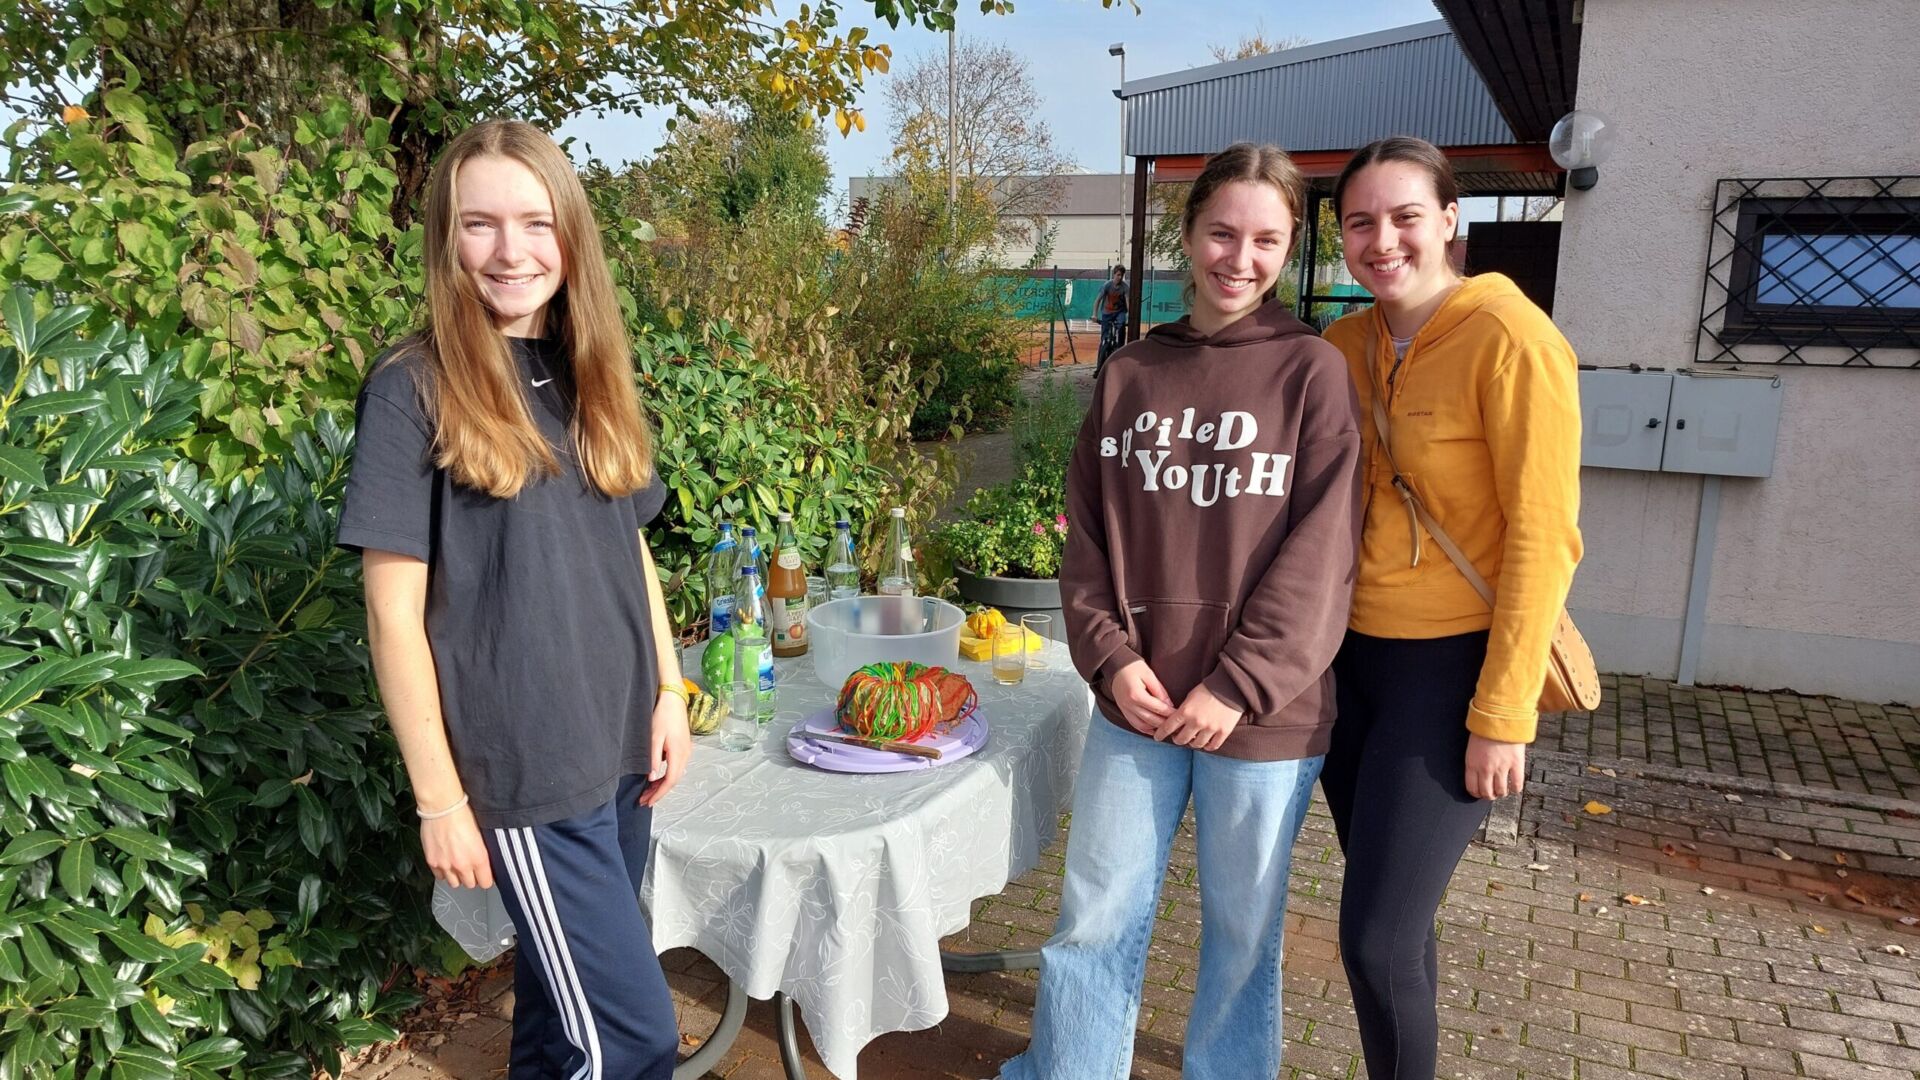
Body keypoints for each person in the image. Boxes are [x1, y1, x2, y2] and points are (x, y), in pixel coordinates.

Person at [1001, 143, 1363, 1080]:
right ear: (1188, 232)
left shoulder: (1310, 372)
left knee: (1243, 934)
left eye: (1265, 240)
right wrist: (1111, 660)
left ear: (1289, 249)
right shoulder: (1129, 373)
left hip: (1264, 718)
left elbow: (1322, 552)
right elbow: (1086, 539)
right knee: (1097, 914)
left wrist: (1238, 687)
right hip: (1140, 701)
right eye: (1221, 233)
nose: (1239, 259)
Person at [337, 119, 688, 1079]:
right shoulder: (414, 387)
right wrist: (439, 798)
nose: (510, 251)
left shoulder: (590, 374)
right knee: (632, 1045)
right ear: (446, 239)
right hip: (533, 771)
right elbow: (391, 615)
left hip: (620, 748)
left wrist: (668, 692)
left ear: (570, 232)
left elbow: (633, 550)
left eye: (534, 221)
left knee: (553, 1023)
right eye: (479, 223)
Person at [1318, 136, 1583, 1080]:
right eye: (1359, 222)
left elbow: (1543, 539)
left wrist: (1502, 716)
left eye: (1404, 216)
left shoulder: (1512, 340)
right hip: (1351, 667)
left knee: (1375, 938)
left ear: (1450, 221)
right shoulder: (1343, 345)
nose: (1381, 239)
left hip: (1450, 672)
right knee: (1396, 924)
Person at [1094, 264, 1129, 369]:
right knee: (1104, 339)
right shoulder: (1107, 285)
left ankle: (1120, 349)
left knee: (1121, 326)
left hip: (1120, 312)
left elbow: (1128, 302)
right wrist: (1094, 315)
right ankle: (1099, 367)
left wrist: (1130, 316)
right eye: (1118, 275)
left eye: (1121, 275)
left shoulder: (1125, 287)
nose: (1119, 277)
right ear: (1114, 274)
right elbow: (1098, 300)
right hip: (1107, 313)